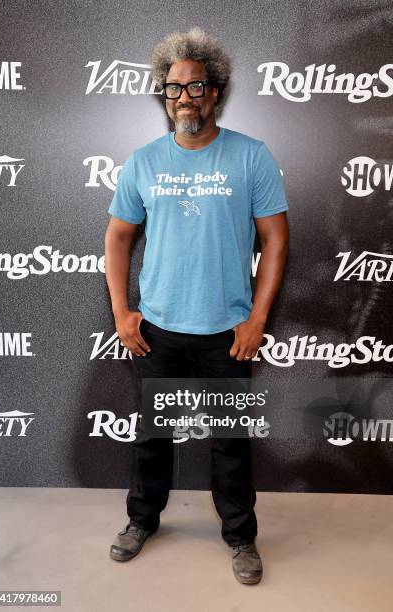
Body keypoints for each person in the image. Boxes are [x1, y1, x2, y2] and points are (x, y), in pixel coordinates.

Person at [104, 27, 289, 585]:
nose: (184, 98)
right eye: (172, 89)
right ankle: (142, 521)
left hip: (226, 331)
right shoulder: (143, 162)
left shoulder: (251, 157)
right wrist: (122, 312)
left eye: (195, 87)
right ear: (163, 97)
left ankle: (240, 536)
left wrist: (256, 319)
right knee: (152, 439)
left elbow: (275, 241)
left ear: (216, 91)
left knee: (231, 443)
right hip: (157, 327)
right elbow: (117, 239)